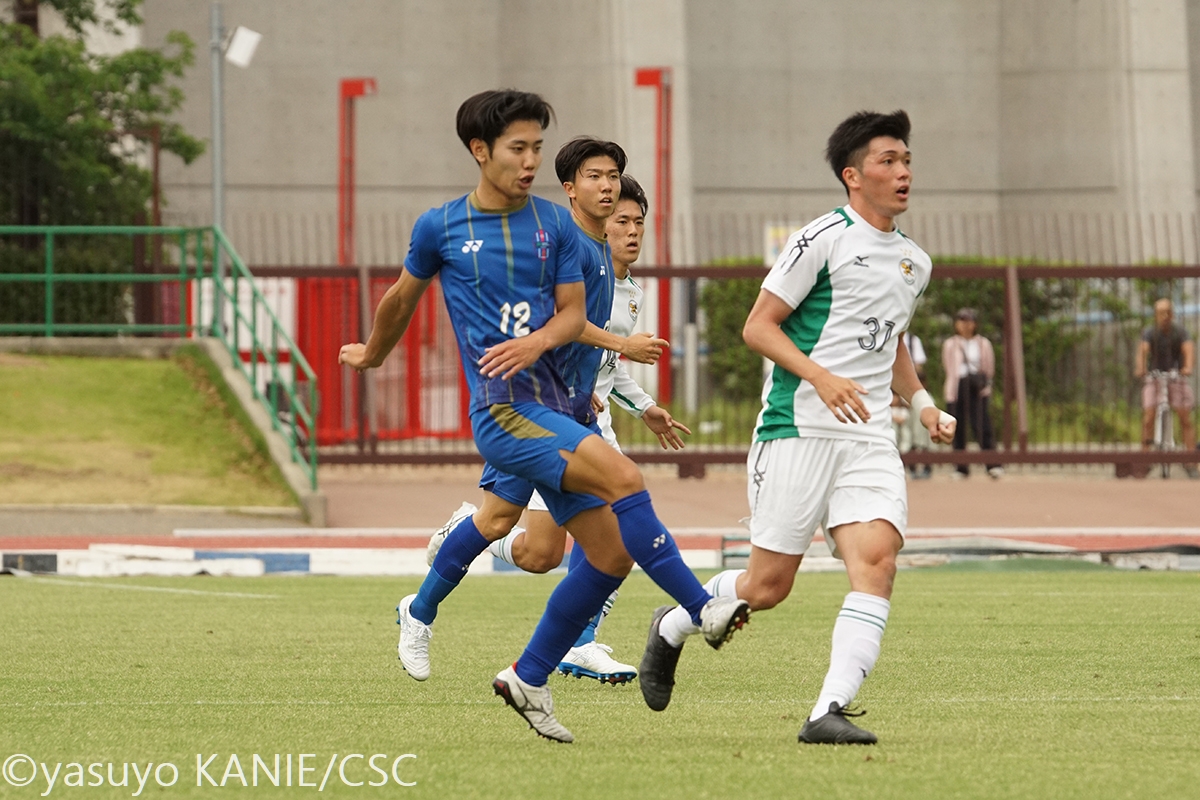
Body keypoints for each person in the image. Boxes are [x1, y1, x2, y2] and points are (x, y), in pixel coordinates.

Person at [338, 91, 748, 744]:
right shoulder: (441, 228)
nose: (530, 160)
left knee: (602, 553)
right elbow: (400, 297)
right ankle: (702, 609)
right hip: (508, 412)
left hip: (564, 412)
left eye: (536, 147)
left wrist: (566, 358)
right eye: (518, 148)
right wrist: (372, 352)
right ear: (480, 151)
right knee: (624, 482)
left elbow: (570, 318)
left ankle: (527, 676)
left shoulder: (559, 230)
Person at [637, 109, 956, 746]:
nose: (903, 172)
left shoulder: (914, 262)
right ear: (852, 175)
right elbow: (758, 327)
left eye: (906, 160)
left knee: (878, 562)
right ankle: (671, 626)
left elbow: (890, 340)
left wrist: (922, 401)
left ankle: (827, 711)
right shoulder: (822, 238)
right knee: (766, 586)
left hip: (868, 438)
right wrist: (820, 377)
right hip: (796, 429)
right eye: (888, 160)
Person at [423, 173, 689, 685]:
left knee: (562, 548)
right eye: (622, 221)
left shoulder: (630, 290)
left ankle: (579, 640)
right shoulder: (573, 270)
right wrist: (568, 381)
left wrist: (645, 407)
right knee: (548, 542)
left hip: (589, 420)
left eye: (638, 222)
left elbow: (609, 363)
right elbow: (554, 331)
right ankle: (469, 550)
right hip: (545, 416)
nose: (632, 231)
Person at [1134, 298, 1197, 478]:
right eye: (1161, 313)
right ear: (1156, 315)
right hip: (1155, 377)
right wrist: (1141, 368)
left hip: (1176, 376)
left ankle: (1191, 461)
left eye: (1168, 312)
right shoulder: (1150, 332)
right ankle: (1144, 460)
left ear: (1172, 314)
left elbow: (1188, 349)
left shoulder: (1180, 332)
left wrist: (1187, 368)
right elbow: (1143, 350)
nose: (1165, 316)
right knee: (1148, 417)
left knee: (1185, 417)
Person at [941, 308, 1002, 479]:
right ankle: (961, 467)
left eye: (969, 321)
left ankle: (992, 464)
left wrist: (984, 385)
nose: (965, 325)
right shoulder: (950, 344)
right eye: (962, 321)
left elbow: (989, 367)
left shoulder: (983, 343)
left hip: (976, 389)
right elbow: (948, 366)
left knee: (982, 426)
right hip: (956, 388)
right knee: (957, 426)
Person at [900, 332, 932, 478]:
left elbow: (918, 367)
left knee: (919, 429)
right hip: (891, 394)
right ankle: (906, 464)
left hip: (910, 390)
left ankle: (924, 463)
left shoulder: (913, 340)